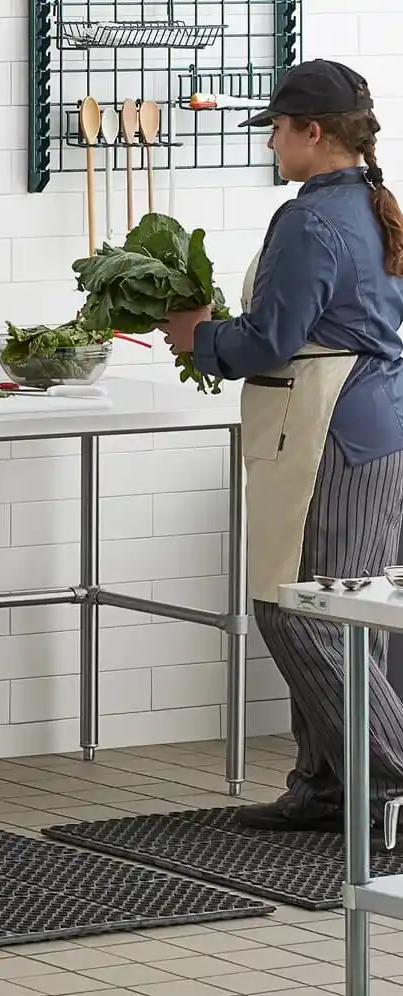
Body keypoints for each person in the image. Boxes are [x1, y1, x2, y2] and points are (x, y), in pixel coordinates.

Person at [158, 59, 403, 840]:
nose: (270, 142)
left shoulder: (311, 218)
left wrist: (199, 336)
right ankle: (330, 790)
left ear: (313, 132)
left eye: (276, 128)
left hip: (328, 430)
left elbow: (272, 339)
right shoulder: (369, 204)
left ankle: (393, 780)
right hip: (373, 425)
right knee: (347, 610)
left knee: (300, 611)